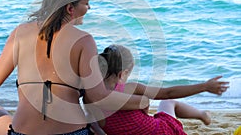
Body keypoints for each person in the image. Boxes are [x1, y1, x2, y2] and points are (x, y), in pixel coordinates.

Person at [0, 0, 149, 135]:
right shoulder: (84, 40)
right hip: (73, 133)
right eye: (86, 3)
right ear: (70, 8)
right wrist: (142, 101)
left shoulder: (20, 33)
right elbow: (98, 97)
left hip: (23, 133)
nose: (89, 7)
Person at [95, 44, 229, 135]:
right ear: (122, 74)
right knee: (168, 102)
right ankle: (202, 115)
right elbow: (168, 92)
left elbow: (99, 126)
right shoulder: (131, 88)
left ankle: (202, 114)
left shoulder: (92, 96)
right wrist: (204, 86)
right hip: (159, 131)